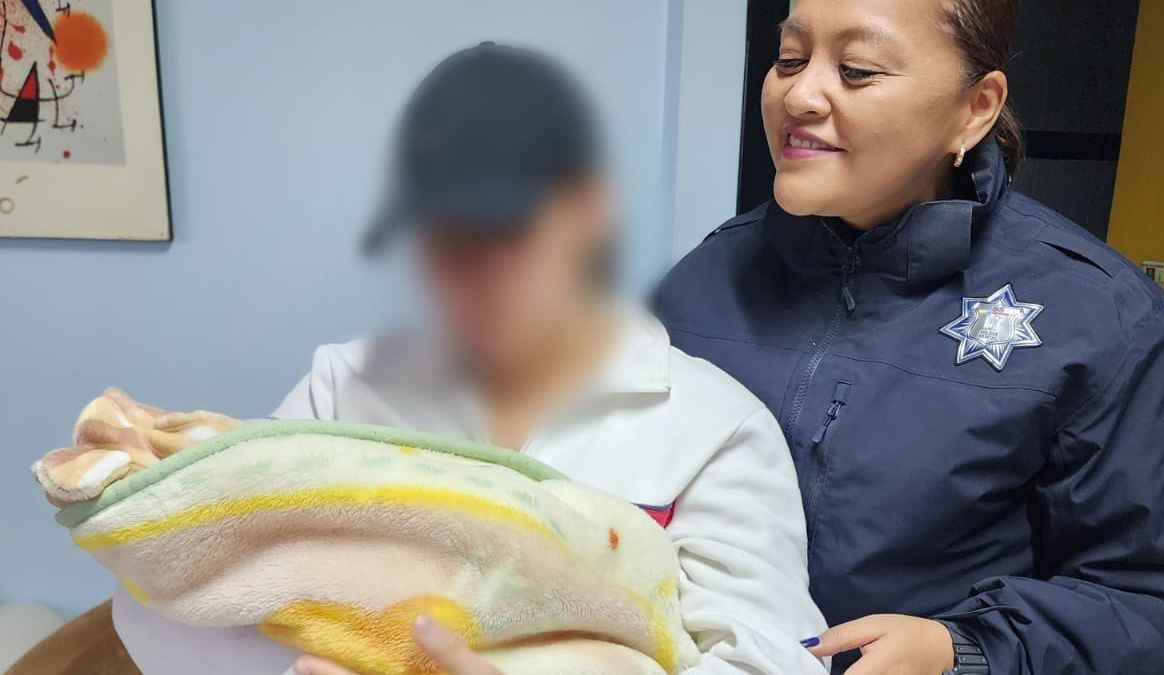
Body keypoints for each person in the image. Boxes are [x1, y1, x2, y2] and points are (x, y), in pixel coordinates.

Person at [113, 43, 828, 675]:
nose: (469, 266)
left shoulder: (713, 429)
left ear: (591, 210)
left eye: (504, 226)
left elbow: (769, 658)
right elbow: (188, 598)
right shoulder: (342, 388)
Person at [654, 0, 1164, 674]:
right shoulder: (701, 282)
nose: (799, 95)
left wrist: (962, 649)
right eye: (790, 59)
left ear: (976, 107)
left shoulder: (1114, 323)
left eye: (856, 70)